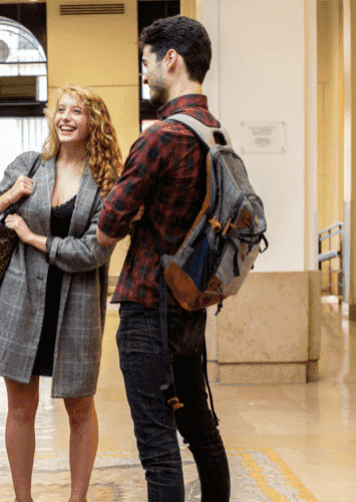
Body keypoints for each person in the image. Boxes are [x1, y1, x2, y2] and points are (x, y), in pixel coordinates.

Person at [96, 15, 231, 502]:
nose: (144, 73)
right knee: (201, 429)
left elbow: (109, 225)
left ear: (170, 59)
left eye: (146, 62)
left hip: (148, 305)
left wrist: (127, 213)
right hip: (190, 304)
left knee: (157, 447)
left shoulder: (159, 137)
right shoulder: (213, 133)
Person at [0, 84, 122, 502]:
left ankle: (78, 498)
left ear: (94, 122)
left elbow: (92, 251)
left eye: (77, 110)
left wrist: (32, 237)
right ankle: (24, 499)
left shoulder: (105, 180)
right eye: (60, 109)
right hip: (22, 304)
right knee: (20, 409)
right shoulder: (30, 165)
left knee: (80, 410)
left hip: (75, 308)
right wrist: (11, 195)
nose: (66, 117)